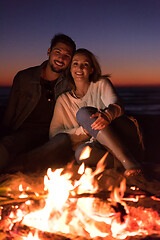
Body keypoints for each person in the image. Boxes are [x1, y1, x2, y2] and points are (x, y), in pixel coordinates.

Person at [49, 48, 144, 176]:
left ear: (91, 70)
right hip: (100, 145)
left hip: (122, 132)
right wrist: (84, 131)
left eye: (85, 64)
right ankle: (129, 162)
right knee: (81, 154)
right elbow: (55, 134)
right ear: (70, 69)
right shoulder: (63, 100)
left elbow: (117, 105)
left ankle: (128, 161)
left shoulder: (101, 83)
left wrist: (107, 115)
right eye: (75, 64)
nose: (80, 67)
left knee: (83, 114)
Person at [0, 33, 76, 173]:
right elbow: (11, 110)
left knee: (63, 141)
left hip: (51, 135)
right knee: (6, 145)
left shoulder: (71, 84)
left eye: (67, 55)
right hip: (24, 132)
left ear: (71, 60)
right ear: (49, 52)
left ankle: (18, 165)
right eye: (57, 52)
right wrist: (6, 132)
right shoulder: (24, 77)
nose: (61, 58)